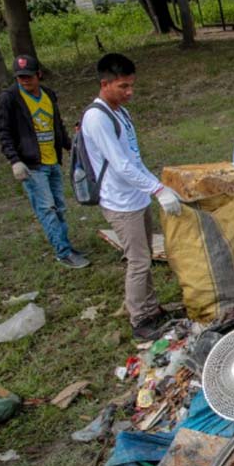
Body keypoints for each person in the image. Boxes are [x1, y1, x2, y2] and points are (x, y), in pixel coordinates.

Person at [80, 53, 182, 340]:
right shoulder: (97, 118)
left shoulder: (120, 113)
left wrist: (155, 186)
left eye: (131, 85)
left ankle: (152, 309)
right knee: (138, 261)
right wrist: (158, 189)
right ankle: (139, 320)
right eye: (123, 86)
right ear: (105, 84)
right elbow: (120, 165)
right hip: (120, 202)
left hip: (136, 196)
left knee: (145, 256)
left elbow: (134, 159)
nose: (129, 92)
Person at [0, 55, 90, 269]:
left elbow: (57, 125)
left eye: (29, 76)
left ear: (38, 74)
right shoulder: (10, 98)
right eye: (20, 77)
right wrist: (14, 160)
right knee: (46, 208)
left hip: (52, 160)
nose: (25, 81)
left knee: (59, 207)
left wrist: (70, 146)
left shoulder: (48, 95)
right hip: (31, 165)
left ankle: (66, 245)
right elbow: (3, 132)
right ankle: (63, 252)